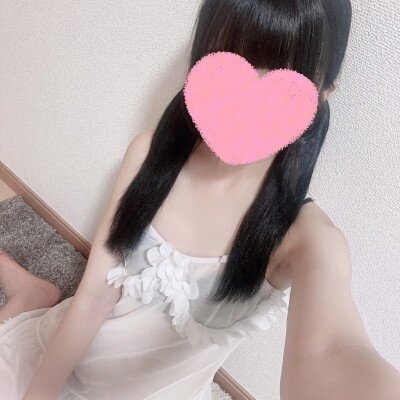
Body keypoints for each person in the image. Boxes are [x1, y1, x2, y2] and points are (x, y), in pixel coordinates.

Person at [1, 1, 400, 399]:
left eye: (284, 76)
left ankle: (30, 293)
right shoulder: (148, 154)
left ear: (325, 91)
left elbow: (333, 349)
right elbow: (93, 295)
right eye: (232, 59)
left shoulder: (304, 236)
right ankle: (32, 295)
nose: (248, 101)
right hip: (70, 357)